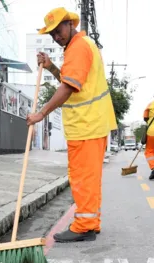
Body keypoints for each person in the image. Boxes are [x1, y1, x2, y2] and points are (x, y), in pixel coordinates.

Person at [26, 7, 117, 243]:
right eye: (52, 34)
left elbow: (67, 88)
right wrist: (51, 67)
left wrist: (41, 114)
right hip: (92, 124)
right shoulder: (80, 46)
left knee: (81, 178)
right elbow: (70, 81)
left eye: (58, 31)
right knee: (90, 178)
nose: (56, 37)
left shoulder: (78, 48)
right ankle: (91, 222)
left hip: (86, 125)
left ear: (69, 23)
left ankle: (84, 226)